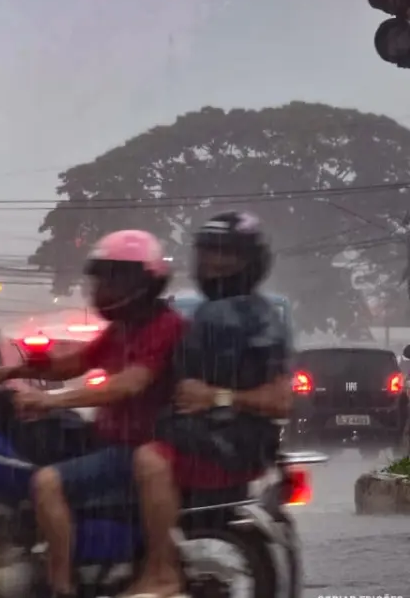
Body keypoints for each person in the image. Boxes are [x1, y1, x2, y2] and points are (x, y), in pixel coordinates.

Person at [0, 230, 186, 598]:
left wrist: (52, 401)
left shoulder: (164, 327)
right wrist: (12, 371)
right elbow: (74, 363)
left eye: (113, 278)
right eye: (101, 278)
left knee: (47, 482)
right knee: (34, 451)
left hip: (138, 446)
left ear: (141, 283)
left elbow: (129, 384)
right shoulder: (123, 328)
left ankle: (60, 586)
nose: (103, 288)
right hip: (112, 439)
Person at [138, 212, 293, 593]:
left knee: (146, 459)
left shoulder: (255, 317)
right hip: (209, 433)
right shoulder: (216, 311)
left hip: (227, 440)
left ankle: (160, 572)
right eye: (207, 254)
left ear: (250, 261)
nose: (213, 264)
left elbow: (281, 400)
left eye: (225, 255)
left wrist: (217, 397)